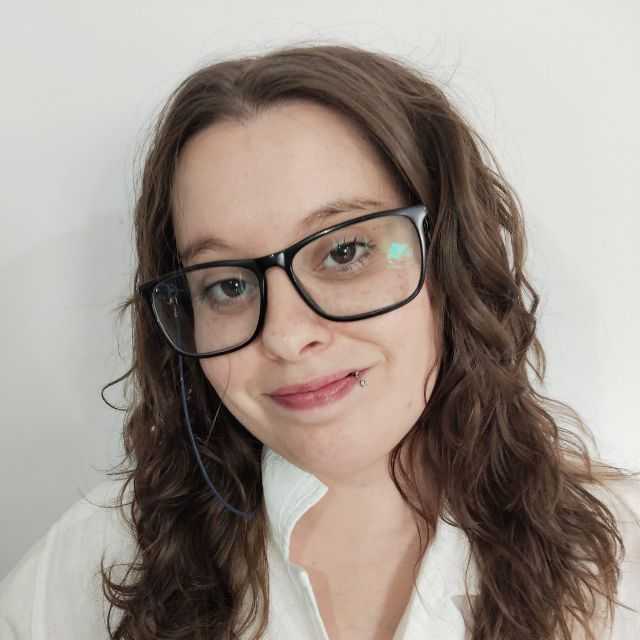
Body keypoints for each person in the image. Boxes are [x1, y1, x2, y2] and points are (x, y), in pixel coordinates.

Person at [1, 43, 639, 640]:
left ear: (451, 259)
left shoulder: (625, 559)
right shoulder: (89, 564)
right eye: (226, 285)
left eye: (346, 251)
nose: (285, 336)